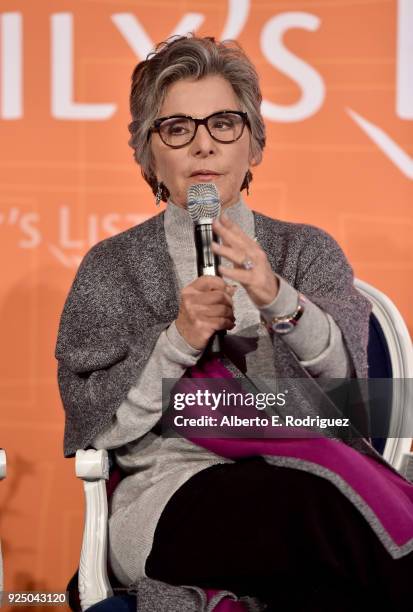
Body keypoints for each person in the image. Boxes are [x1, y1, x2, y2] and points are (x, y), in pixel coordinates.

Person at [56, 35, 413, 612]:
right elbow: (100, 429)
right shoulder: (112, 268)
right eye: (177, 128)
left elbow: (355, 401)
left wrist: (276, 296)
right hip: (167, 495)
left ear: (254, 143)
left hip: (309, 478)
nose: (203, 145)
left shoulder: (306, 250)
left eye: (223, 123)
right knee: (303, 505)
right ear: (149, 155)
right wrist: (177, 341)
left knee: (321, 570)